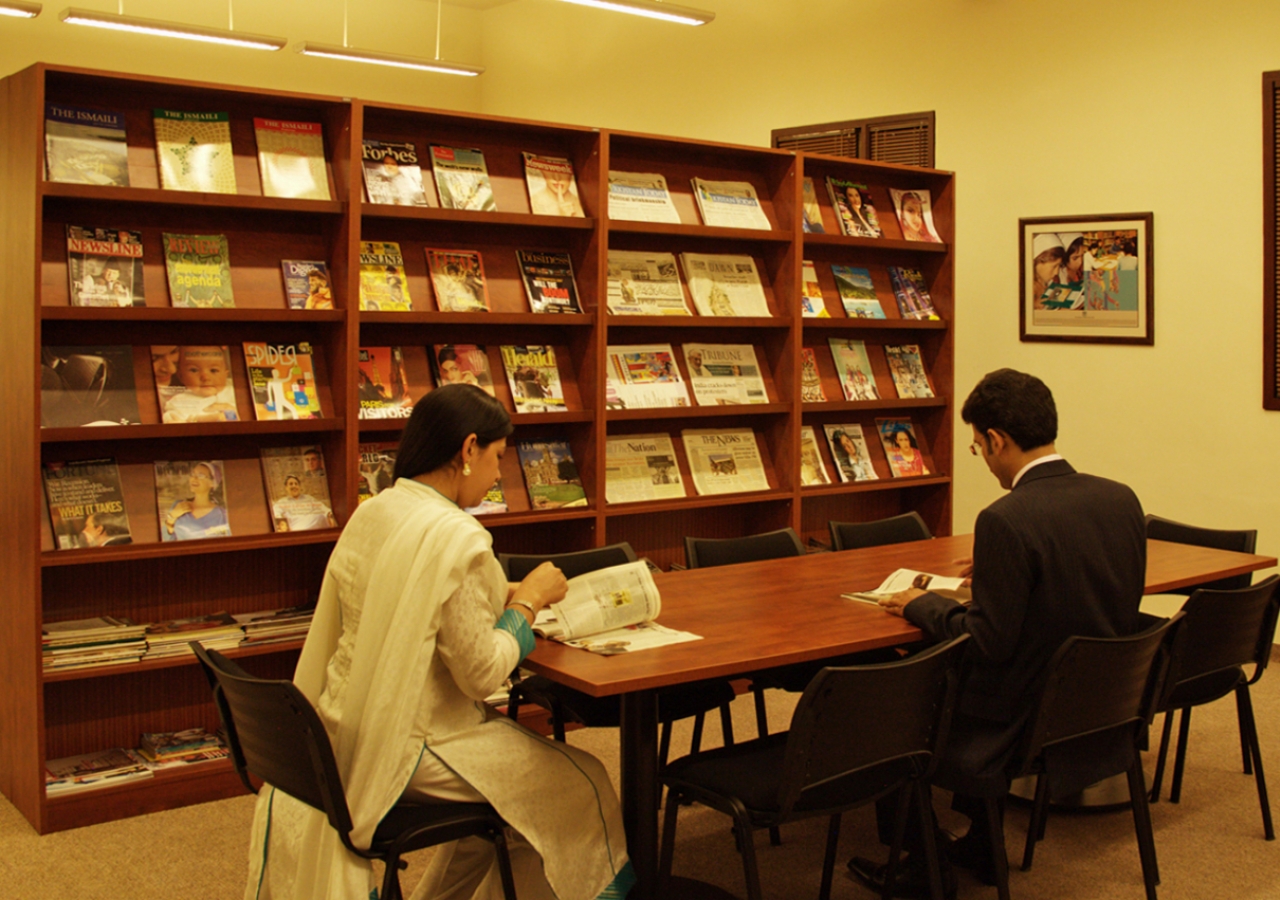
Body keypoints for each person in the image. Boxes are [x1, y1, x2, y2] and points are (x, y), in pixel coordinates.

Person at [244, 384, 633, 900]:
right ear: (468, 449)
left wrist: (508, 590)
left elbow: (414, 595)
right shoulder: (459, 536)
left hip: (341, 727)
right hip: (413, 742)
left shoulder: (377, 511)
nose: (498, 475)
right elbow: (480, 673)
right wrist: (529, 602)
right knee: (583, 785)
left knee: (521, 798)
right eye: (497, 458)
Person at [847, 369, 1146, 898]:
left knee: (893, 708)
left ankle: (924, 867)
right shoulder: (1120, 498)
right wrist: (996, 574)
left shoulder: (1007, 517)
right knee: (964, 687)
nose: (982, 458)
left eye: (977, 446)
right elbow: (1073, 585)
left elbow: (988, 642)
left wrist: (923, 603)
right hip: (1096, 709)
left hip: (1021, 724)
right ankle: (984, 847)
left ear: (997, 440)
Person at [159, 346, 238, 423]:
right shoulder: (180, 401)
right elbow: (170, 418)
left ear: (226, 375)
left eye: (213, 370)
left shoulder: (233, 389)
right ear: (180, 376)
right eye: (194, 370)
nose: (205, 377)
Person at [161, 461, 230, 541]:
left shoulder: (222, 516)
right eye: (192, 474)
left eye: (200, 475)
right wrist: (172, 517)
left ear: (212, 483)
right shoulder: (178, 505)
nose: (194, 478)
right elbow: (167, 541)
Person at [270, 474, 336, 532]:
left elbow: (322, 507)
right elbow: (275, 513)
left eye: (296, 484)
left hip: (313, 525)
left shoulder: (308, 498)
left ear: (299, 487)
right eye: (291, 484)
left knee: (321, 516)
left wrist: (328, 513)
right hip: (295, 527)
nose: (294, 486)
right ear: (286, 487)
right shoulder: (282, 502)